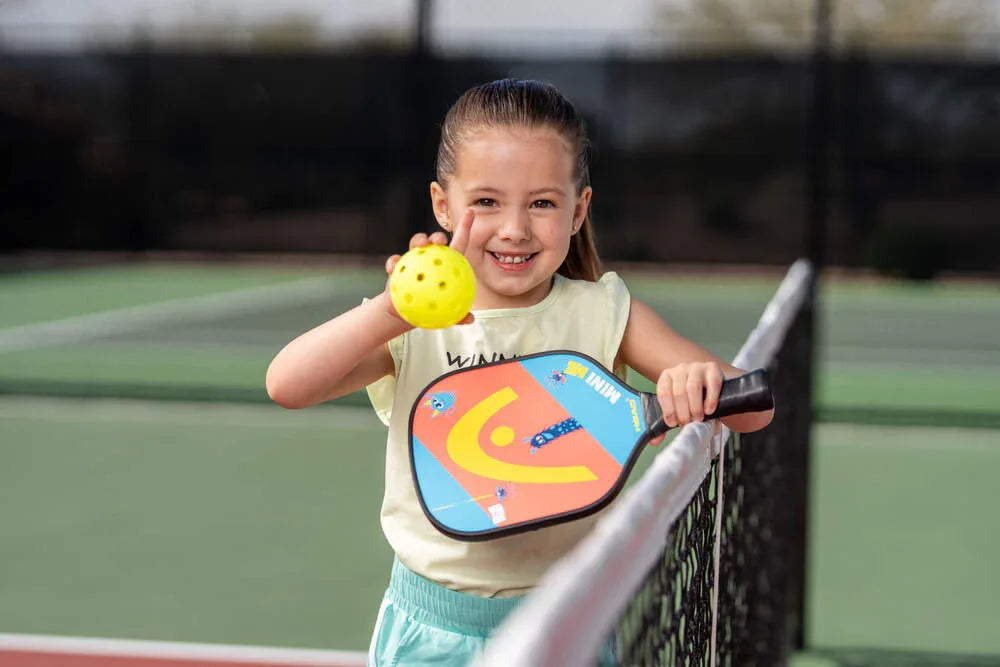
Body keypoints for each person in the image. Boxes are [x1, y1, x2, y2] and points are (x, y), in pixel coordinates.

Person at [266, 78, 773, 666]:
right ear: (442, 206)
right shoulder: (411, 324)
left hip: (569, 625)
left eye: (541, 203)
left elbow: (754, 408)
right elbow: (287, 384)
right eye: (486, 202)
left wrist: (697, 384)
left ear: (578, 209)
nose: (514, 229)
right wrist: (390, 311)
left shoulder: (605, 312)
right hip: (429, 633)